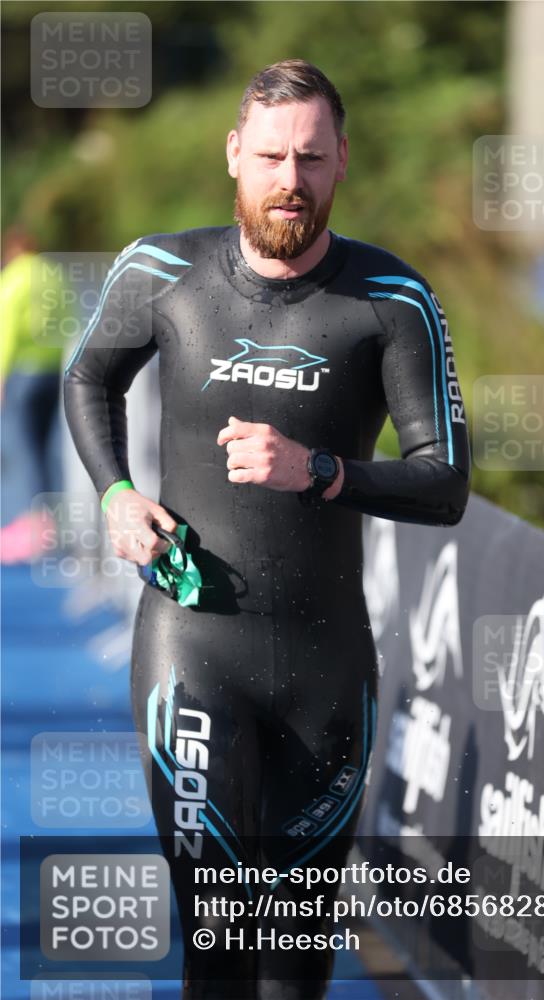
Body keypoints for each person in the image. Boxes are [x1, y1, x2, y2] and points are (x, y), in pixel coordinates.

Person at [63, 59, 471, 1000]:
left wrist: (319, 471)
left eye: (312, 159)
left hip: (326, 667)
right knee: (218, 939)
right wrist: (118, 493)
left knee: (293, 967)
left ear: (340, 166)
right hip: (192, 647)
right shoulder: (162, 270)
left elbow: (443, 482)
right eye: (274, 156)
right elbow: (90, 378)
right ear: (235, 157)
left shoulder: (392, 299)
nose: (291, 179)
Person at [1, 226, 68, 561]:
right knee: (45, 449)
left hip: (23, 374)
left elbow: (6, 330)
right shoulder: (52, 275)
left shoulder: (14, 278)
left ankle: (34, 527)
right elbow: (71, 321)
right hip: (52, 372)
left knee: (24, 448)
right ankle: (50, 523)